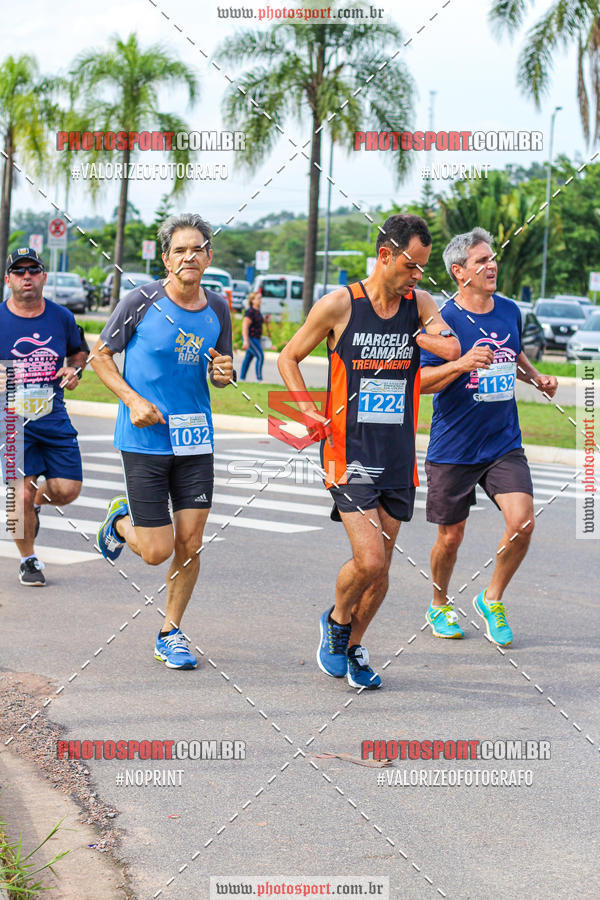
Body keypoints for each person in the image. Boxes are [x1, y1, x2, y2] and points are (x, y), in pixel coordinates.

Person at [278, 215, 460, 689]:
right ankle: (337, 621)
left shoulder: (419, 303)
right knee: (372, 559)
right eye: (411, 265)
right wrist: (305, 412)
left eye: (422, 268)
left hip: (397, 453)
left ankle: (354, 645)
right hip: (346, 451)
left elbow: (453, 344)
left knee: (382, 572)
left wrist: (426, 336)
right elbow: (288, 356)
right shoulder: (340, 305)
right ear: (385, 256)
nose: (417, 275)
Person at [91, 214, 234, 671]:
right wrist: (132, 399)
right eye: (180, 250)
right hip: (144, 439)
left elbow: (218, 369)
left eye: (198, 249)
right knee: (156, 552)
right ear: (165, 257)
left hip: (195, 440)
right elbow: (101, 355)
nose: (189, 257)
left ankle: (170, 632)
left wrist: (223, 374)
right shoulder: (141, 300)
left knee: (190, 544)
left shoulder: (218, 307)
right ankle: (118, 523)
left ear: (209, 257)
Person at [420, 228, 558, 645]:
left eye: (491, 257)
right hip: (455, 444)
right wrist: (462, 363)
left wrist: (535, 378)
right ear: (459, 272)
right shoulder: (442, 320)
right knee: (450, 536)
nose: (491, 265)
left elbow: (511, 351)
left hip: (502, 442)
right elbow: (422, 381)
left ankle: (491, 598)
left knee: (523, 522)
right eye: (481, 261)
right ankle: (439, 604)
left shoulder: (510, 310)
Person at [0, 248, 87, 586]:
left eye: (32, 271)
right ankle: (28, 559)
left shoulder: (61, 316)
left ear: (43, 277)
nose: (26, 277)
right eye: (18, 272)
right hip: (11, 422)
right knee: (18, 494)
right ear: (8, 279)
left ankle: (34, 504)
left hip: (52, 416)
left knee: (68, 490)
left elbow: (79, 351)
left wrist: (74, 369)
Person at [240, 291, 270, 381]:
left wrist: (265, 320)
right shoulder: (250, 312)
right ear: (252, 300)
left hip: (256, 338)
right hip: (250, 338)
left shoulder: (257, 311)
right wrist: (245, 340)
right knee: (260, 356)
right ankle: (259, 379)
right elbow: (245, 326)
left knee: (248, 358)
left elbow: (257, 323)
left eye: (261, 298)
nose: (260, 300)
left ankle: (242, 378)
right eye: (258, 298)